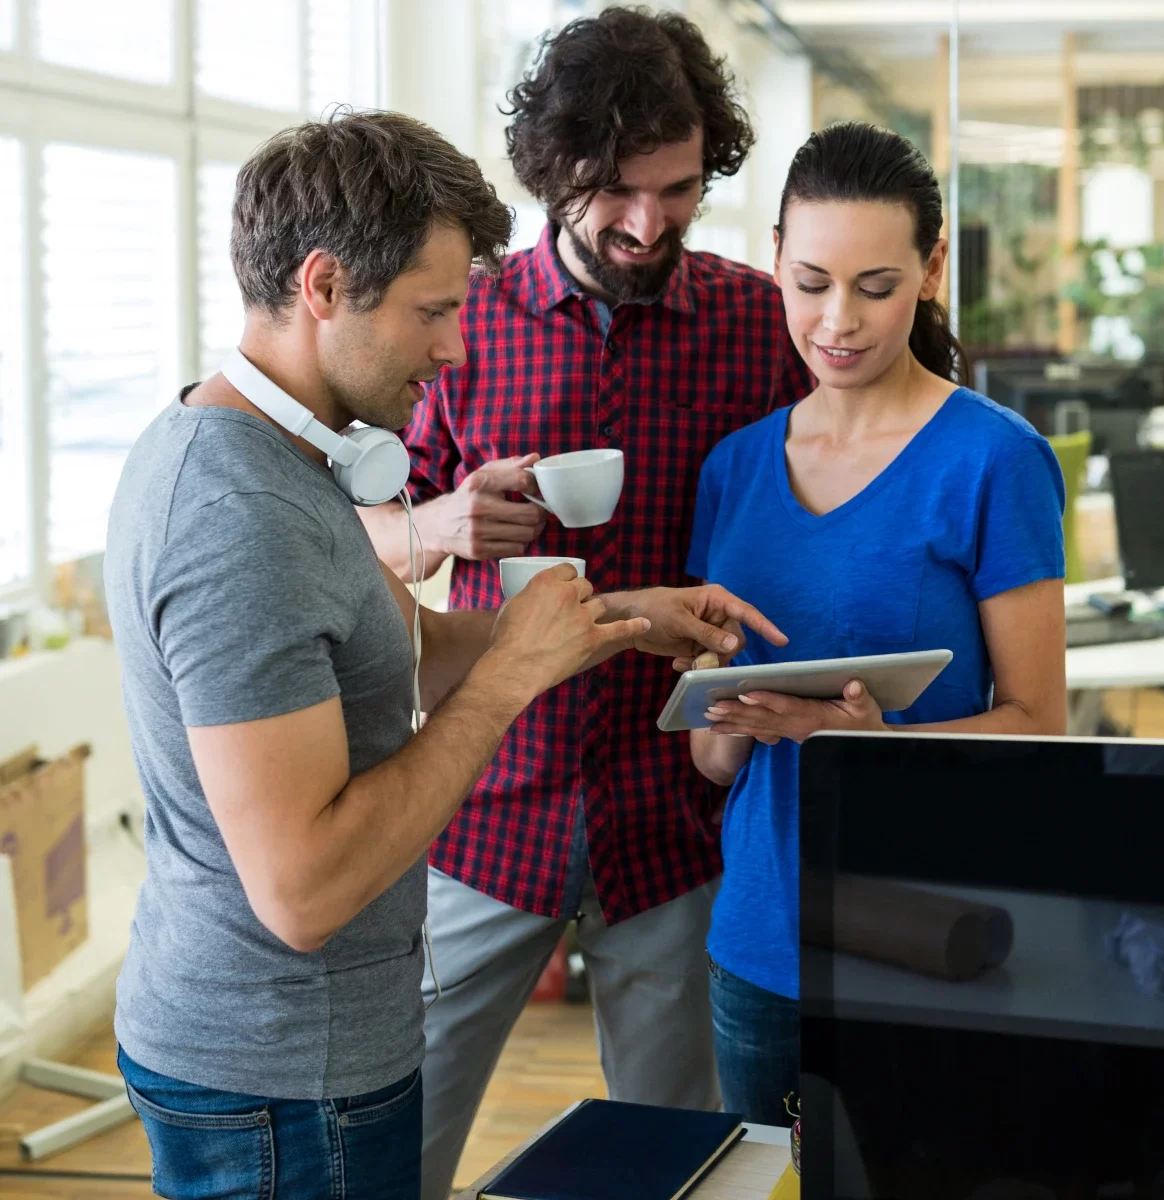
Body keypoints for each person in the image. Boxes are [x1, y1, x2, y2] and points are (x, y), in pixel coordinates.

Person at [102, 110, 785, 1200]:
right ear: (325, 286)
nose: (457, 349)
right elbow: (305, 889)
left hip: (308, 1057)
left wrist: (617, 619)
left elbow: (408, 653)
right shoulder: (240, 516)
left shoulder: (281, 459)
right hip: (284, 1080)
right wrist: (511, 681)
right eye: (433, 311)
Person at [358, 10, 811, 1199]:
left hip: (677, 812)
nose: (648, 224)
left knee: (673, 1162)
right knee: (396, 1143)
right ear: (552, 171)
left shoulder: (757, 324)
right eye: (615, 190)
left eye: (678, 190)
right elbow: (349, 532)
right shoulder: (457, 318)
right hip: (483, 801)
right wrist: (436, 524)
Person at [687, 121, 1068, 1127]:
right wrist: (730, 718)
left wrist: (874, 746)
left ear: (931, 270)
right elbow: (713, 765)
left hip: (922, 936)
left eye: (876, 286)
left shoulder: (995, 461)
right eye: (811, 283)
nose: (838, 322)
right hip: (759, 942)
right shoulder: (733, 468)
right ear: (775, 259)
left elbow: (1040, 726)